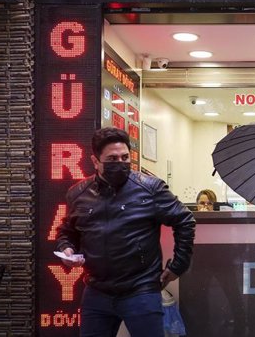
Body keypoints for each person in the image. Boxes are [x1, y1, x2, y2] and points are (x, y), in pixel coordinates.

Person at [55, 127, 196, 337]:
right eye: (112, 158)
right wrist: (66, 249)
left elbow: (184, 220)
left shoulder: (150, 188)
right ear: (95, 161)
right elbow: (67, 231)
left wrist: (178, 266)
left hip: (141, 290)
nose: (120, 163)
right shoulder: (78, 193)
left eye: (125, 157)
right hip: (97, 291)